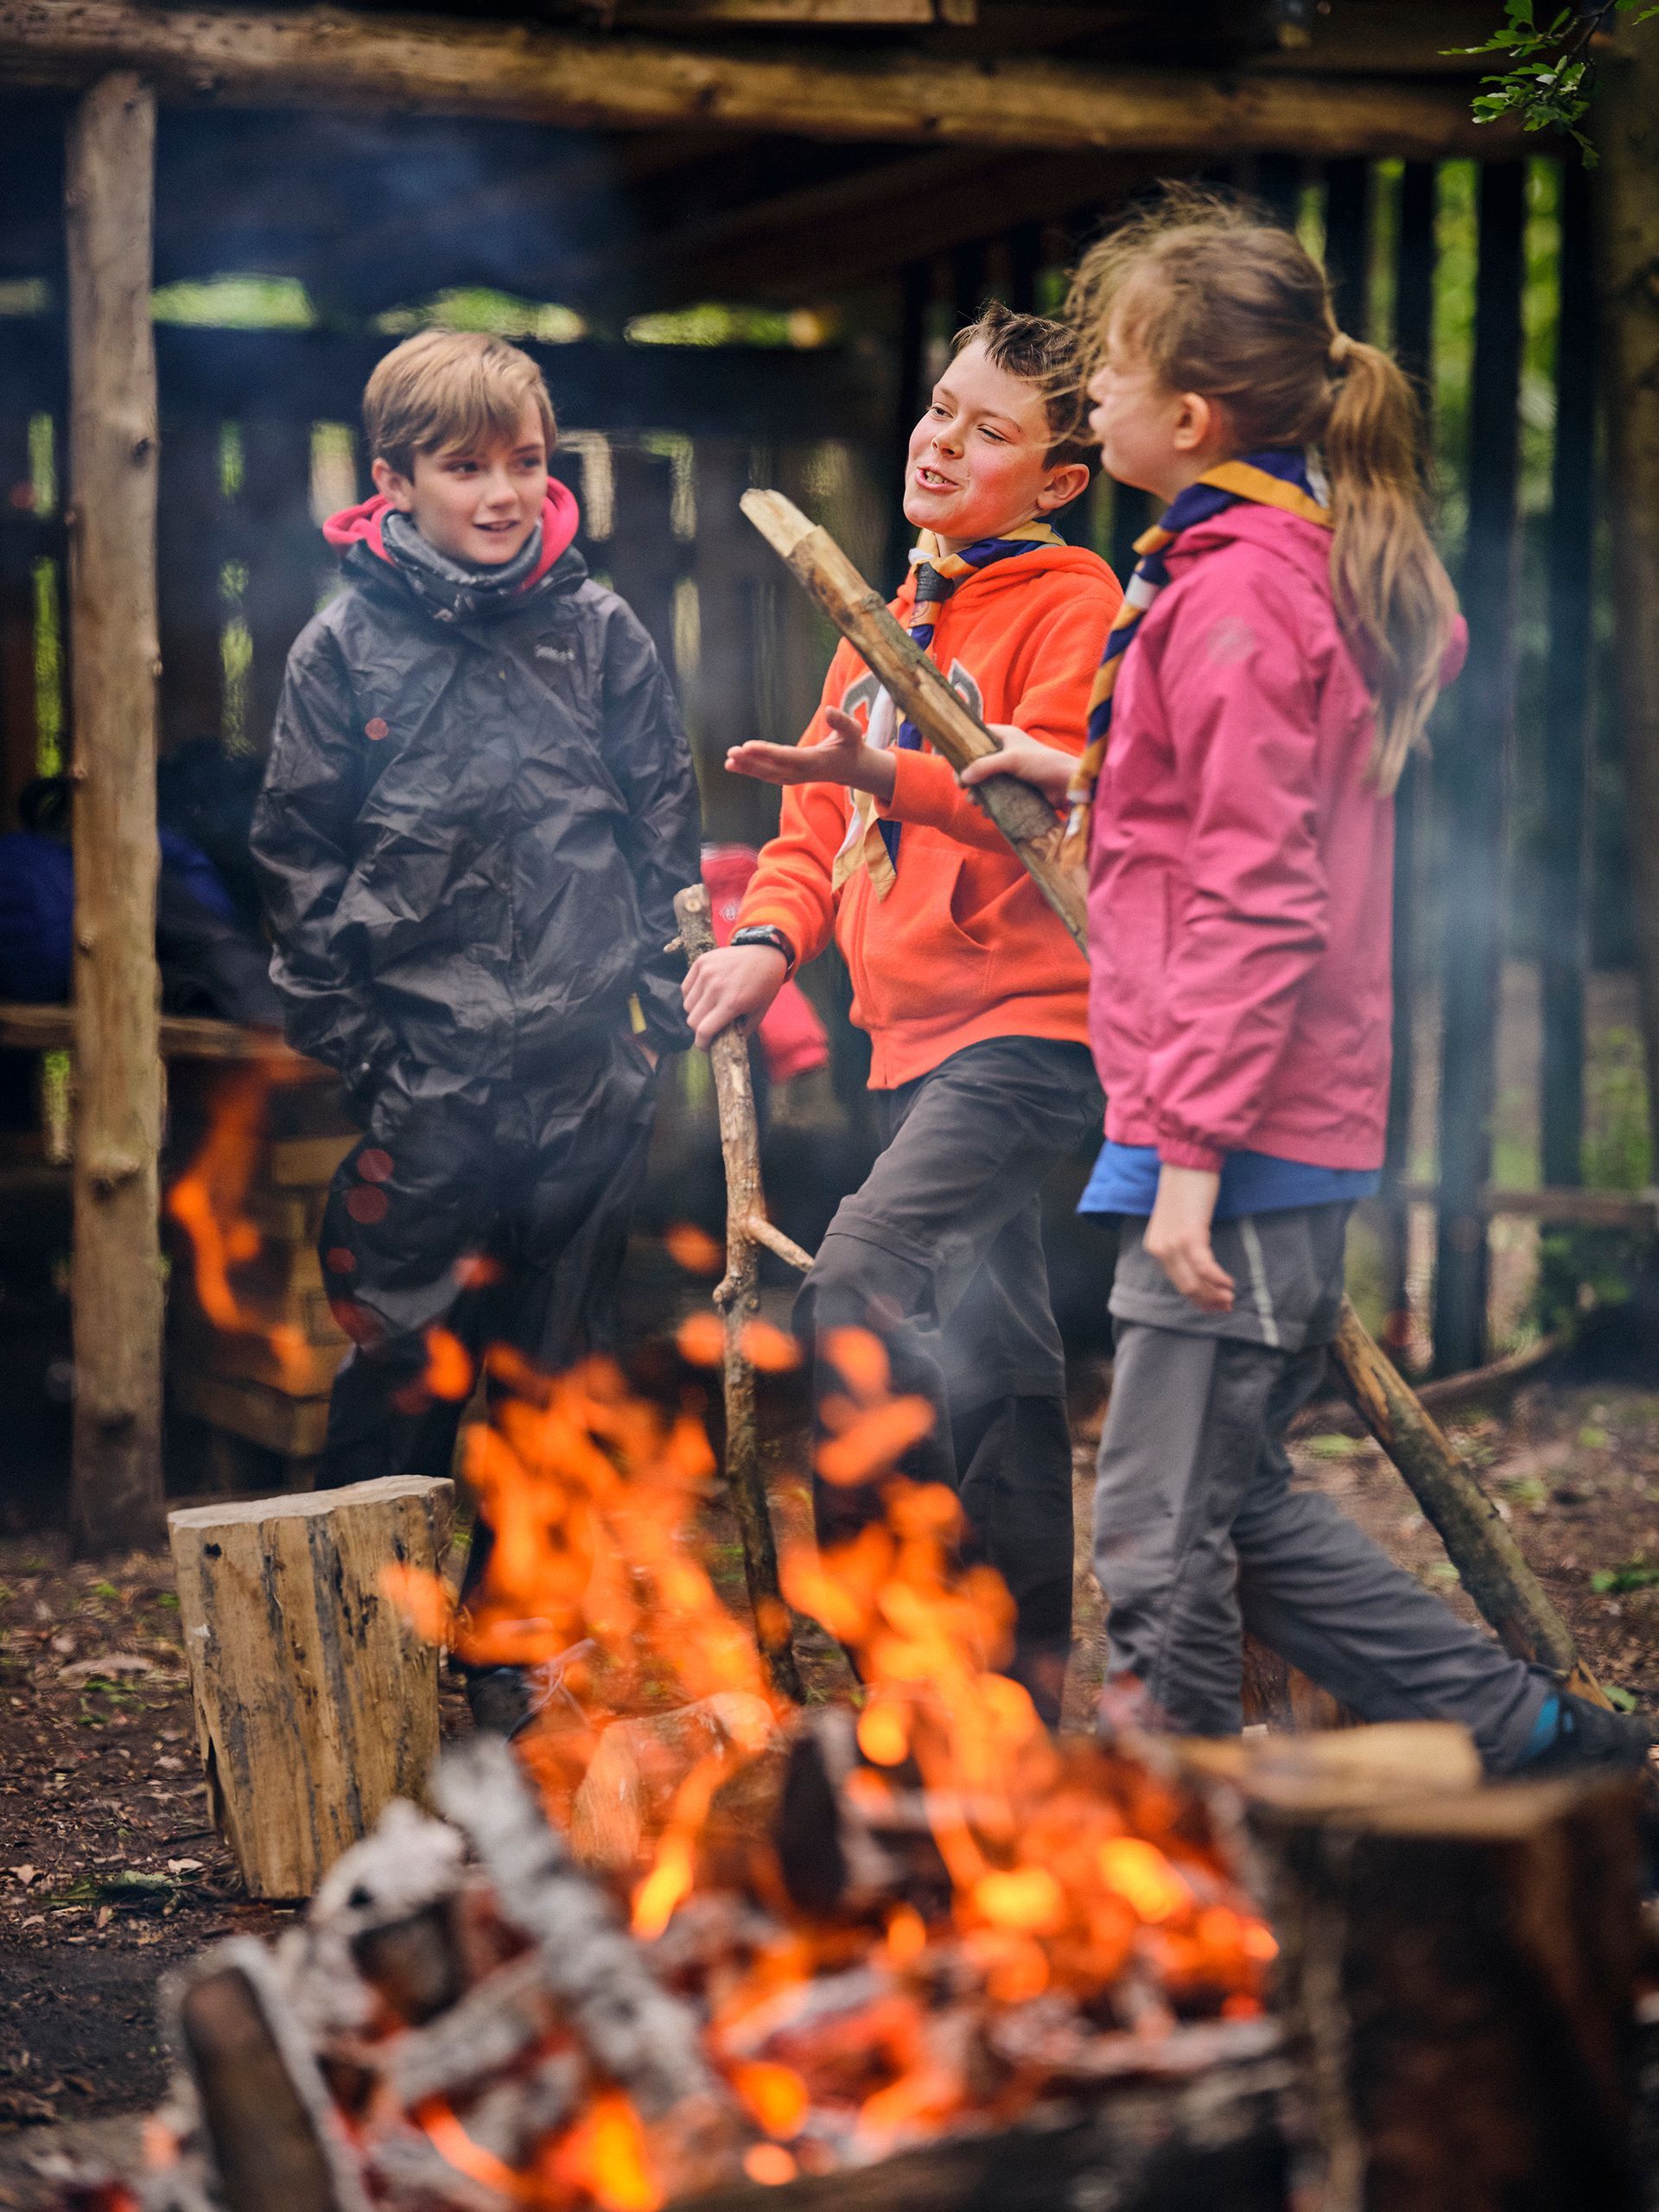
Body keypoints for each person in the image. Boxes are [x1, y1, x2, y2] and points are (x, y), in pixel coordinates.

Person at [982, 188, 1649, 1775]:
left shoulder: (1236, 600)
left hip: (1241, 1139)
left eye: (1113, 372)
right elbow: (1207, 821)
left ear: (1191, 413)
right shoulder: (1225, 570)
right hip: (1229, 1119)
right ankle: (1544, 1737)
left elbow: (1264, 907)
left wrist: (1192, 1167)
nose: (1092, 396)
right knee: (1233, 1505)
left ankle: (1191, 1873)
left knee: (1151, 1548)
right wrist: (1075, 777)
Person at [251, 330, 701, 1729]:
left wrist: (652, 1016)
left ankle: (509, 1653)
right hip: (428, 1088)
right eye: (464, 469)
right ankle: (348, 1655)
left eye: (525, 463)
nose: (501, 493)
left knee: (554, 1377)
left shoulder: (601, 631)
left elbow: (660, 824)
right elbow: (296, 859)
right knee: (403, 1361)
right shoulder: (345, 646)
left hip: (585, 1078)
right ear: (394, 482)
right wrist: (372, 1056)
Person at [683, 303, 1122, 1726]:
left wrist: (887, 778)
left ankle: (906, 1637)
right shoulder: (881, 617)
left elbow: (1033, 806)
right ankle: (1022, 1688)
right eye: (942, 408)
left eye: (989, 431)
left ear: (1058, 479)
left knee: (855, 1278)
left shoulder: (1076, 604)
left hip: (1033, 1031)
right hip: (911, 1040)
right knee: (1000, 1360)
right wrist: (765, 937)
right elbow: (813, 827)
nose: (942, 440)